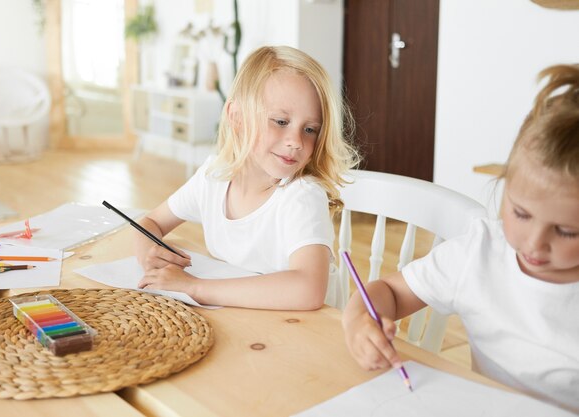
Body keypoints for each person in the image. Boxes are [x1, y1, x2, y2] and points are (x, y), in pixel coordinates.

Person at [342, 63, 579, 414]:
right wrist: (360, 321)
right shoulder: (479, 252)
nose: (534, 243)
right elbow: (390, 292)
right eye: (521, 214)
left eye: (566, 231)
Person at [135, 45, 359, 310]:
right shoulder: (213, 177)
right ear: (237, 117)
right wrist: (150, 255)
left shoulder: (302, 195)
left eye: (310, 129)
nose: (296, 142)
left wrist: (193, 287)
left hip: (304, 335)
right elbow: (149, 222)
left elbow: (308, 290)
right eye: (280, 121)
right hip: (246, 321)